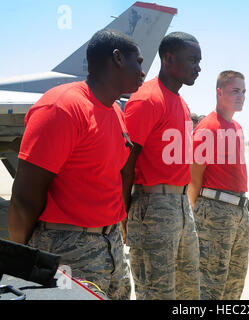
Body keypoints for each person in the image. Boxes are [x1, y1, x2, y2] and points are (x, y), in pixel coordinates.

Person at [7, 29, 145, 300]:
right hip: (68, 249)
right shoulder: (62, 107)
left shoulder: (115, 111)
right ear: (117, 58)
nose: (143, 71)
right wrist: (22, 261)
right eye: (138, 62)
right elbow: (24, 198)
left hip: (111, 246)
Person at [122, 31, 201, 300]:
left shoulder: (181, 102)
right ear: (168, 59)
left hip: (181, 207)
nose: (198, 68)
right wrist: (123, 216)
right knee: (157, 293)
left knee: (188, 291)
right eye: (192, 60)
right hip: (152, 208)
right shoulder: (147, 99)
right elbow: (125, 163)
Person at [188, 70, 249, 300]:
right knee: (209, 285)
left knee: (234, 282)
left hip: (238, 212)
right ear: (219, 92)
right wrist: (192, 217)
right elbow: (194, 177)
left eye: (243, 91)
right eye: (235, 91)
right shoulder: (208, 127)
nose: (241, 96)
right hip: (214, 213)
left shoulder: (237, 128)